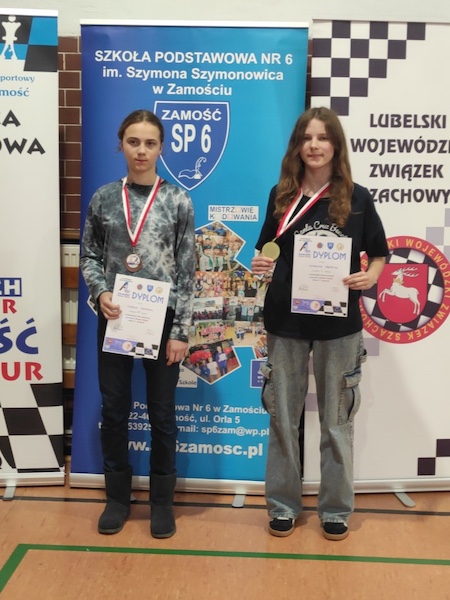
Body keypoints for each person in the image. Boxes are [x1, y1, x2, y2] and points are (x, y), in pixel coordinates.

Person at [251, 107, 388, 541]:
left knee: (336, 420)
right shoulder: (281, 196)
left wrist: (371, 276)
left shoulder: (358, 198)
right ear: (297, 145)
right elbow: (266, 251)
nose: (314, 145)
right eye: (307, 138)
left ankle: (334, 508)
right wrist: (261, 264)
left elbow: (379, 253)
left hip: (338, 325)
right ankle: (283, 505)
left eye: (323, 137)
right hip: (286, 321)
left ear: (335, 145)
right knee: (283, 418)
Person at [80, 109, 195, 539]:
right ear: (121, 145)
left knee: (162, 414)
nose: (141, 151)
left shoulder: (178, 200)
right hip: (116, 317)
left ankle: (161, 502)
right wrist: (100, 293)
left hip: (162, 323)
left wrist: (181, 331)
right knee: (114, 409)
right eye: (133, 142)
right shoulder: (105, 198)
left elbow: (188, 270)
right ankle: (117, 498)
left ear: (161, 148)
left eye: (149, 143)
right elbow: (90, 256)